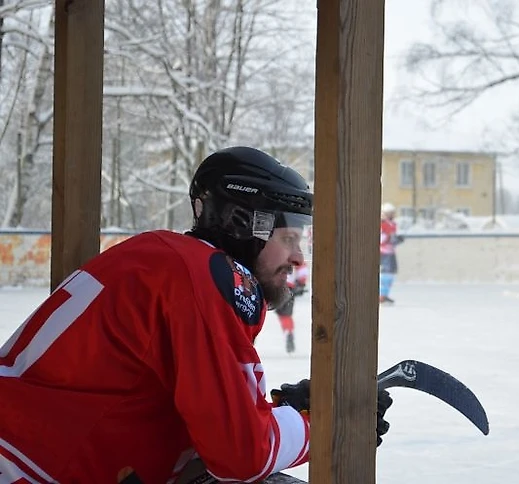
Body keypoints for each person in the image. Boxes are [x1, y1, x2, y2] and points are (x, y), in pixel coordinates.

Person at [0, 147, 393, 483]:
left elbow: (193, 417)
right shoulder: (208, 277)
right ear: (244, 224)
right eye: (287, 237)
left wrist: (284, 413)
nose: (297, 257)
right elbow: (241, 455)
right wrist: (327, 427)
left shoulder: (168, 261)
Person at [276, 262, 308, 353]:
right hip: (287, 288)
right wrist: (301, 283)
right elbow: (301, 268)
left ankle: (288, 333)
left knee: (284, 314)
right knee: (285, 314)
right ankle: (289, 332)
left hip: (282, 287)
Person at [379, 202, 404, 304]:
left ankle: (385, 294)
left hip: (390, 252)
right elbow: (381, 238)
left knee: (390, 273)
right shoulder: (382, 224)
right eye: (389, 213)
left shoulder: (392, 224)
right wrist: (390, 239)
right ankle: (382, 295)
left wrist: (396, 239)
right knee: (385, 273)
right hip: (384, 252)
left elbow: (392, 237)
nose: (391, 215)